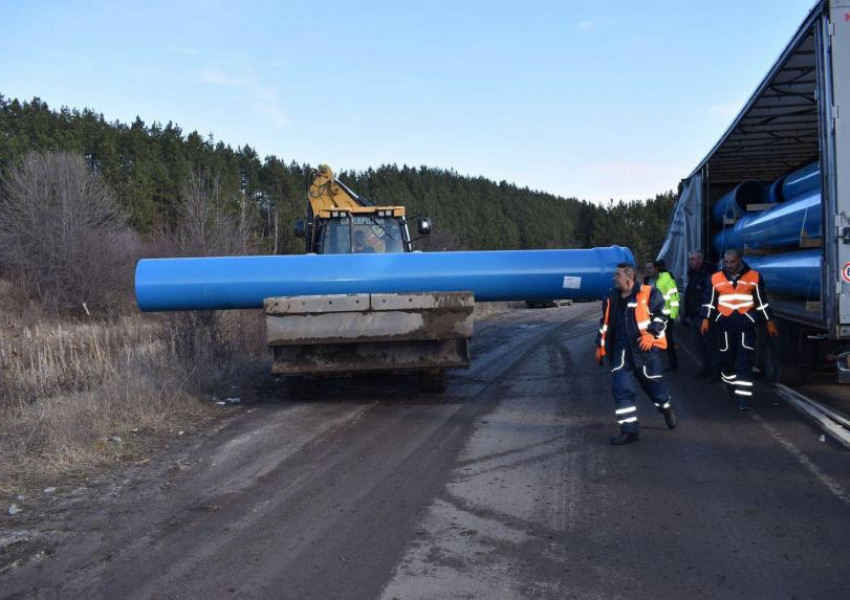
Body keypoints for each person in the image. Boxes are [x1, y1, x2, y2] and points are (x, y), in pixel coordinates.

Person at [595, 263, 678, 445]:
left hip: (645, 352)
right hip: (621, 353)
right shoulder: (611, 297)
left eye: (617, 275)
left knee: (655, 390)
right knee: (621, 391)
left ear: (629, 278)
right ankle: (629, 430)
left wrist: (651, 334)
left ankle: (666, 408)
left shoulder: (649, 293)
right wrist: (599, 346)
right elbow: (605, 323)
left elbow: (662, 315)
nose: (614, 278)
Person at [700, 248, 779, 411]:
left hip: (745, 325)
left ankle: (742, 398)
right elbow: (709, 301)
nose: (729, 266)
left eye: (732, 262)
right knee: (727, 363)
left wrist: (768, 320)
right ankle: (731, 388)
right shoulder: (715, 278)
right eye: (726, 262)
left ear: (739, 260)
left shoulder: (754, 277)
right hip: (724, 326)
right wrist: (705, 319)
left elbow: (761, 301)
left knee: (744, 363)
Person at [684, 251, 716, 379]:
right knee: (699, 345)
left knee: (710, 344)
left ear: (700, 259)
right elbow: (690, 295)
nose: (690, 262)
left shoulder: (707, 275)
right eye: (689, 259)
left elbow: (708, 297)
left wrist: (705, 316)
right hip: (694, 315)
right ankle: (706, 369)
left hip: (703, 316)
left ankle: (715, 371)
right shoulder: (693, 274)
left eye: (692, 259)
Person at [644, 260, 680, 371]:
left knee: (668, 339)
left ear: (656, 268)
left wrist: (673, 315)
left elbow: (674, 297)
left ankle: (673, 364)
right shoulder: (646, 280)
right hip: (653, 315)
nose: (648, 270)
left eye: (650, 268)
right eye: (647, 268)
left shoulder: (666, 279)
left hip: (666, 314)